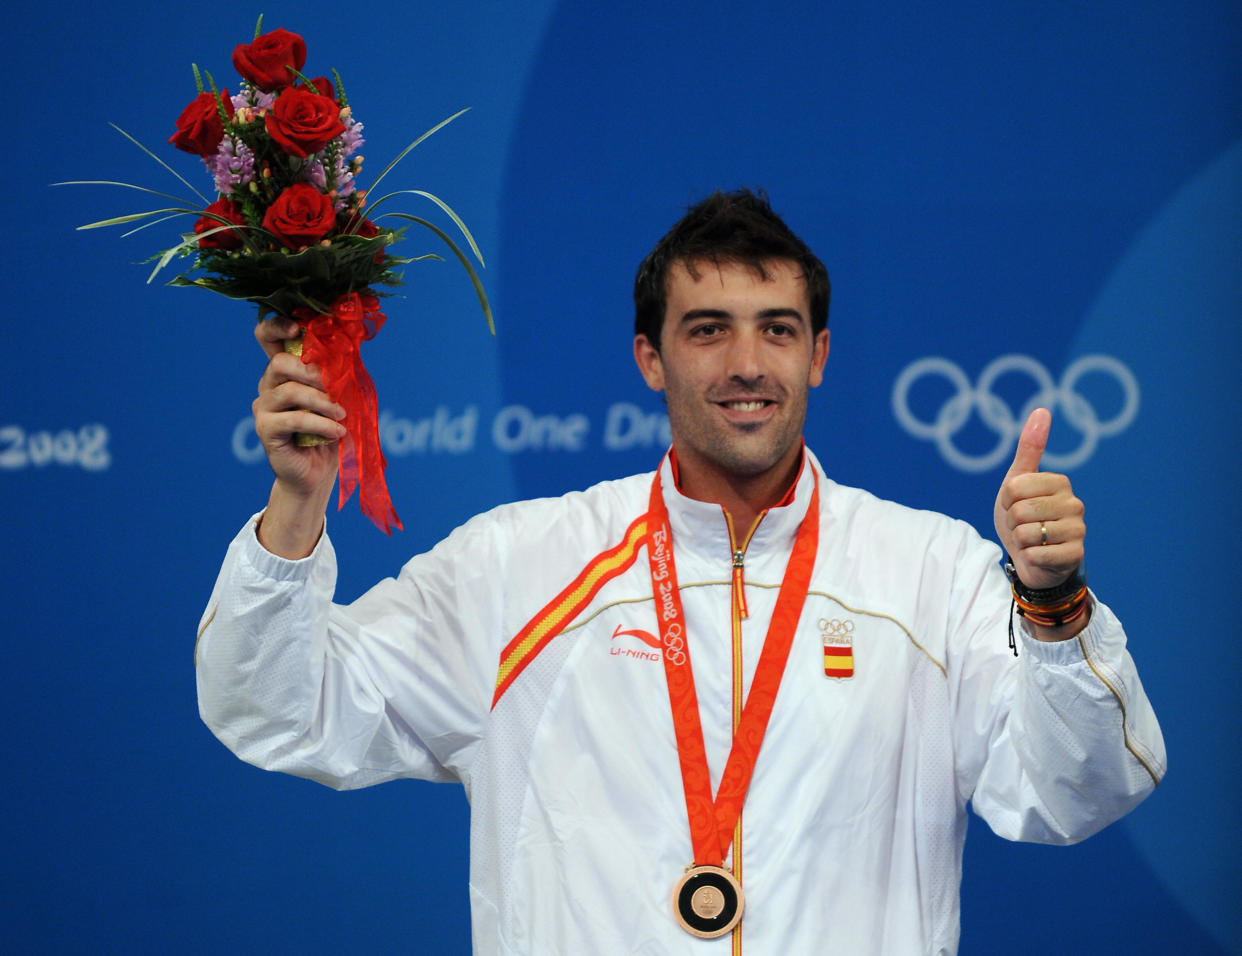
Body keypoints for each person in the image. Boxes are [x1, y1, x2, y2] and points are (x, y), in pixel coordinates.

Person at [196, 189, 1165, 954]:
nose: (747, 362)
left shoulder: (932, 572)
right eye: (707, 329)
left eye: (777, 328)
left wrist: (1051, 605)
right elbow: (280, 705)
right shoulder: (517, 567)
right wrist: (296, 505)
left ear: (819, 355)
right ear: (649, 357)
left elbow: (1080, 789)